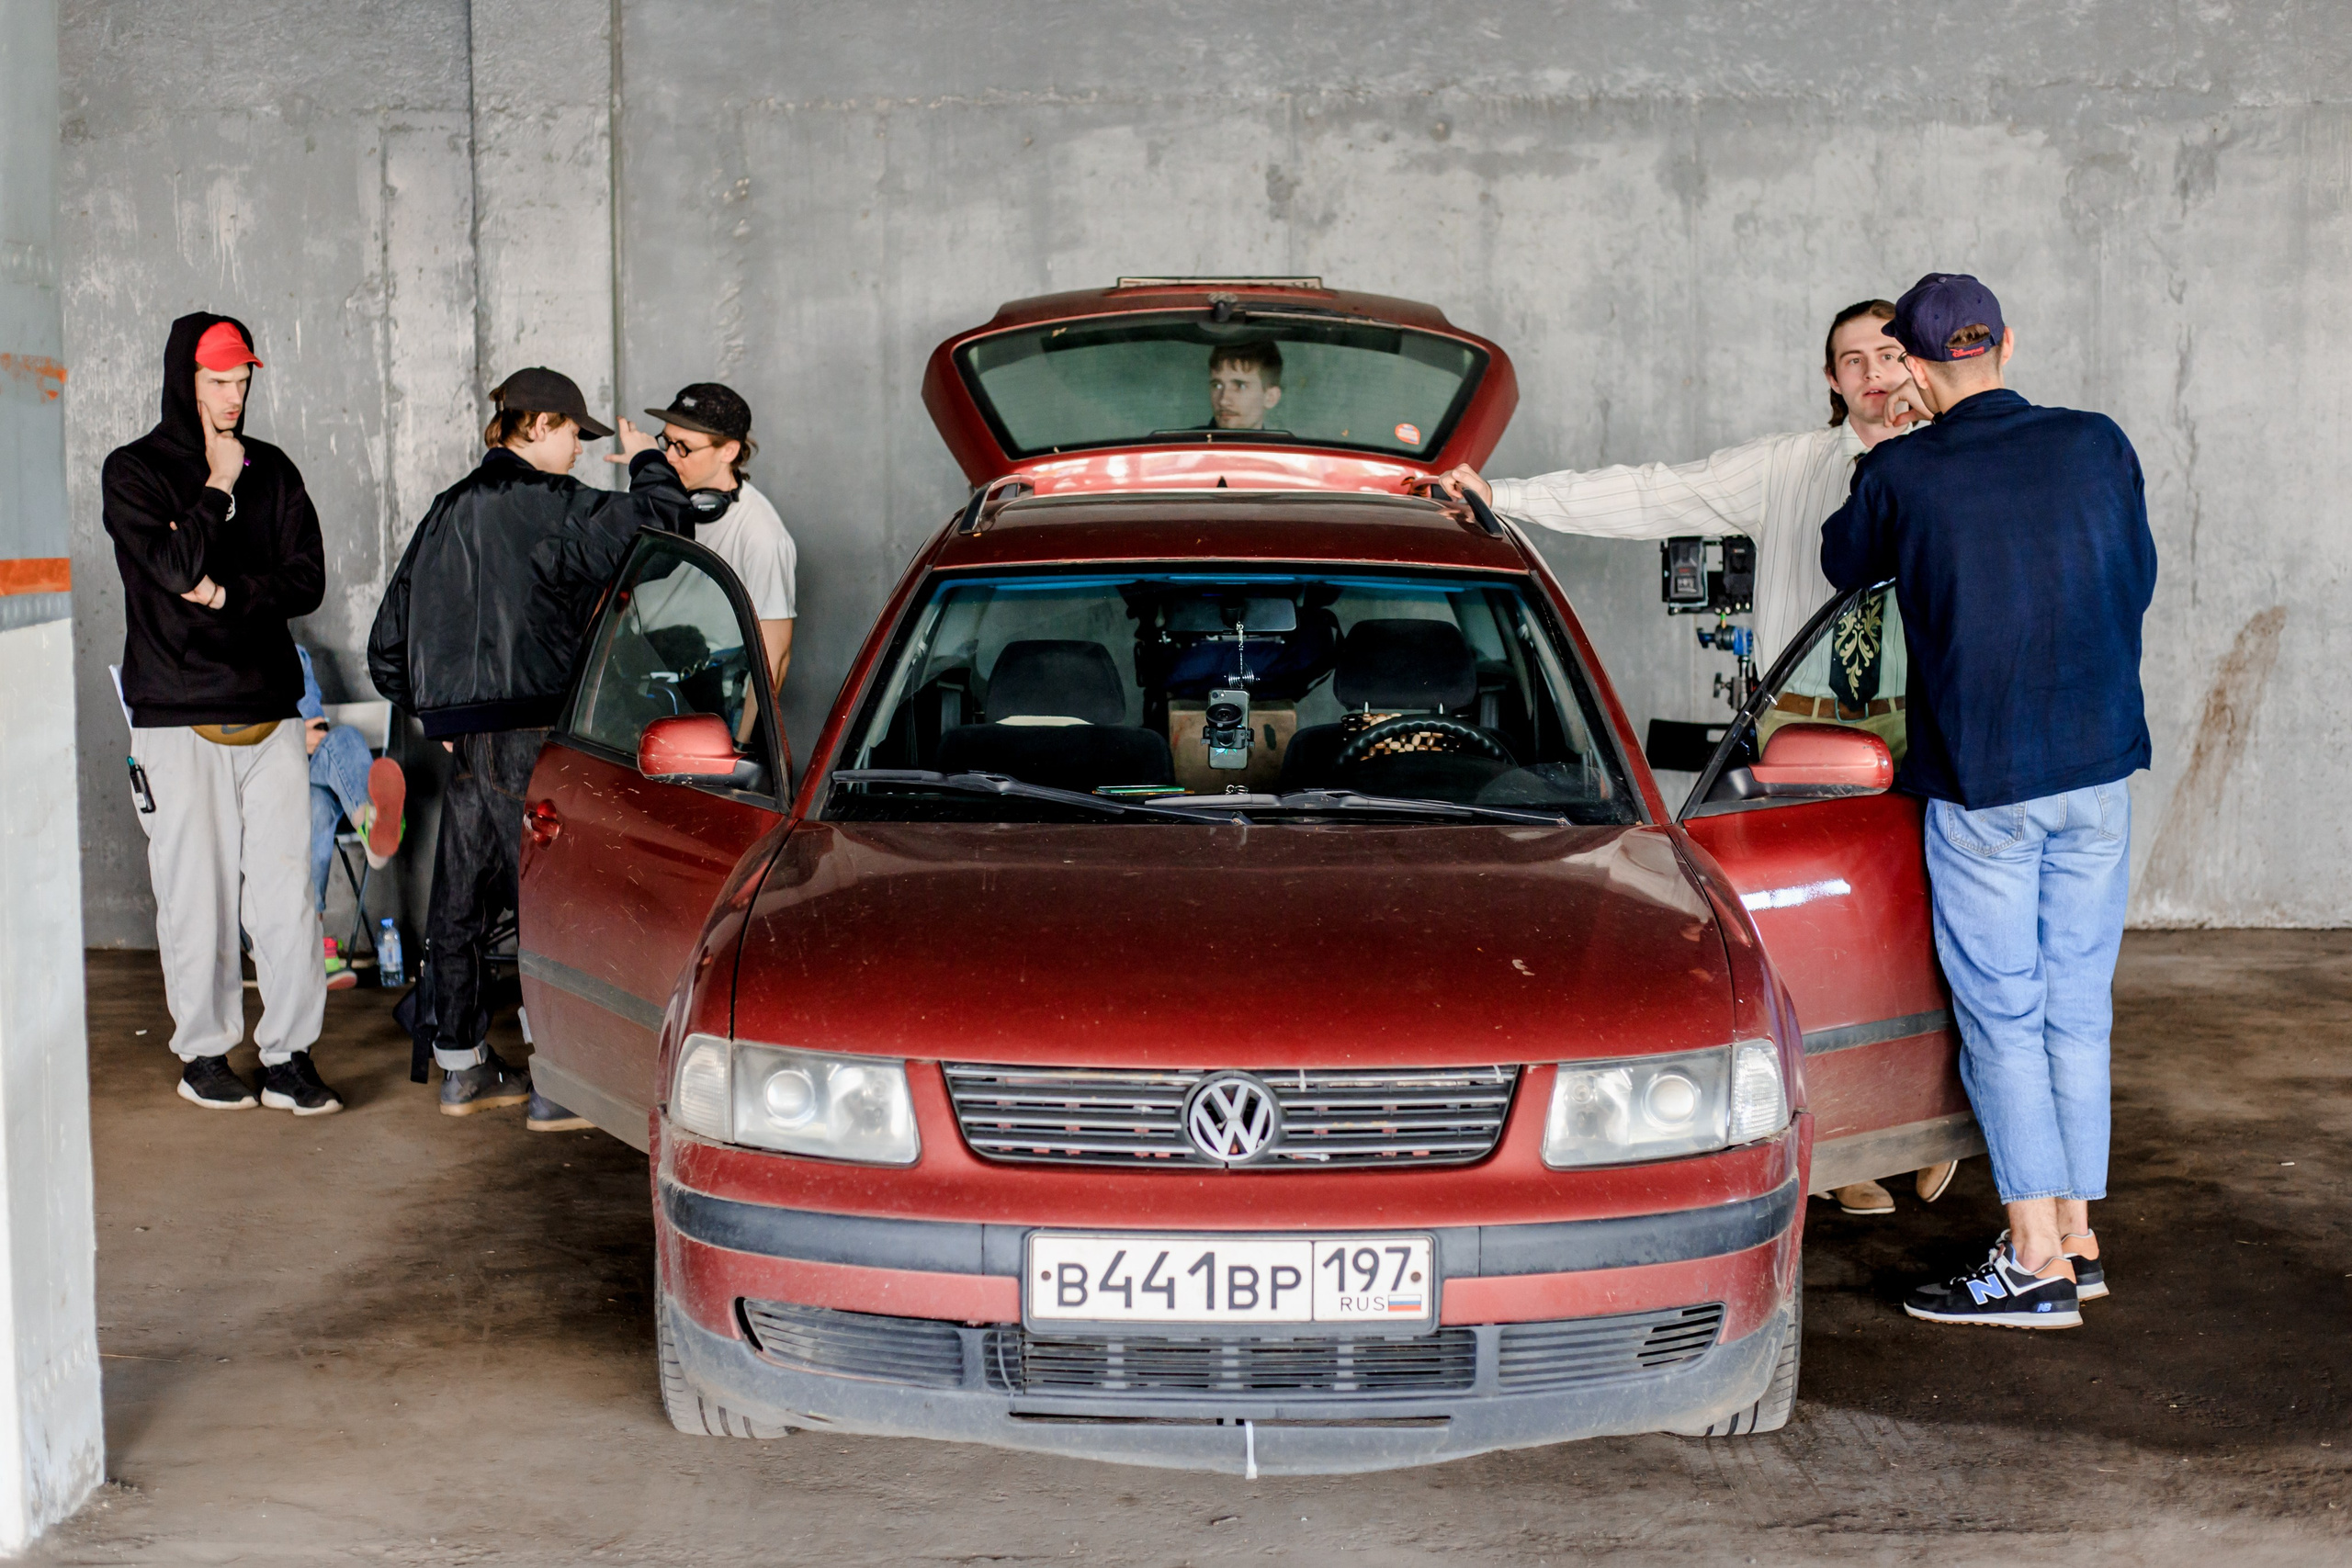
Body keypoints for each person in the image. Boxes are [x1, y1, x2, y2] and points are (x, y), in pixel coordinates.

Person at [1427, 299, 1943, 1218]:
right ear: (1830, 381)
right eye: (1851, 359)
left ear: (1919, 365)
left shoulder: (1961, 464)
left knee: (1940, 920)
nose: (1873, 373)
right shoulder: (1793, 469)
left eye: (1890, 354)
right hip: (1802, 732)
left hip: (1928, 729)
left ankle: (1939, 1109)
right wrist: (1506, 500)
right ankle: (1844, 1140)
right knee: (1820, 933)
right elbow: (1651, 491)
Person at [1821, 274, 2156, 1330]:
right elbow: (2132, 578)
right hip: (2099, 768)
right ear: (2007, 343)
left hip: (1986, 788)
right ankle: (2076, 1234)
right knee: (2076, 1007)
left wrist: (1892, 450)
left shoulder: (1904, 470)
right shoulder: (2097, 442)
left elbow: (1841, 563)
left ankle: (2030, 1262)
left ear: (1912, 370)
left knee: (2004, 1018)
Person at [369, 367, 691, 1128]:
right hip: (542, 738)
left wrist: (435, 713)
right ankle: (556, 1085)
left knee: (459, 904)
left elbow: (387, 644)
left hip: (466, 741)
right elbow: (670, 526)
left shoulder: (444, 513)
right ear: (539, 425)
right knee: (550, 910)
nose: (579, 450)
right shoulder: (557, 508)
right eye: (574, 434)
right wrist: (648, 459)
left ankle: (461, 1069)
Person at [102, 311, 342, 1115]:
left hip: (268, 711)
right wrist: (216, 485)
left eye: (243, 380)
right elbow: (172, 564)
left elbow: (304, 580)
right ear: (185, 380)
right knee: (194, 893)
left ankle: (289, 1055)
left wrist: (236, 594)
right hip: (174, 717)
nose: (233, 395)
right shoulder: (133, 471)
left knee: (284, 894)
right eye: (217, 381)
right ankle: (204, 1053)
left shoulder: (275, 469)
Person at [633, 384, 797, 707]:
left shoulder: (762, 533)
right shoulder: (647, 500)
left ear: (729, 451)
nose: (668, 456)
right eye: (667, 441)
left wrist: (743, 747)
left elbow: (774, 661)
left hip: (708, 702)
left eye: (684, 447)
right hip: (633, 684)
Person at [295, 646, 405, 989]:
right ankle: (373, 830)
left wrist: (299, 736)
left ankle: (372, 823)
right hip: (264, 775)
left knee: (342, 742)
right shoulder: (225, 655)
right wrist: (294, 736)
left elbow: (317, 729)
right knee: (314, 803)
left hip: (309, 771)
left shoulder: (294, 654)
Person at [1206, 342, 1283, 430]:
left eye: (1240, 386)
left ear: (1270, 397)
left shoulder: (1288, 444)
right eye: (1217, 386)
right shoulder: (1189, 441)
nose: (1223, 401)